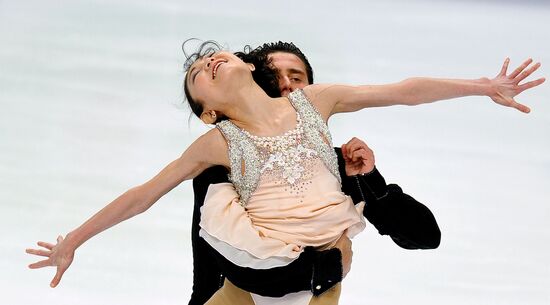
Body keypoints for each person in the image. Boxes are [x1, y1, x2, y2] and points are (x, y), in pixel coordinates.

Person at [26, 41, 543, 304]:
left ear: (249, 67)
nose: (206, 63)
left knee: (326, 265)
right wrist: (74, 238)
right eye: (194, 74)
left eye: (214, 56)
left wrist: (481, 85)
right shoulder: (216, 144)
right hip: (256, 280)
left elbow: (405, 91)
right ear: (207, 110)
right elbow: (143, 195)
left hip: (321, 276)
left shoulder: (318, 104)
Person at [188, 41, 442, 305]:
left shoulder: (339, 165)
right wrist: (329, 267)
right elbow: (210, 269)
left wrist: (372, 182)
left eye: (297, 78)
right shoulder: (220, 167)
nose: (287, 85)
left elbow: (424, 236)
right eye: (274, 78)